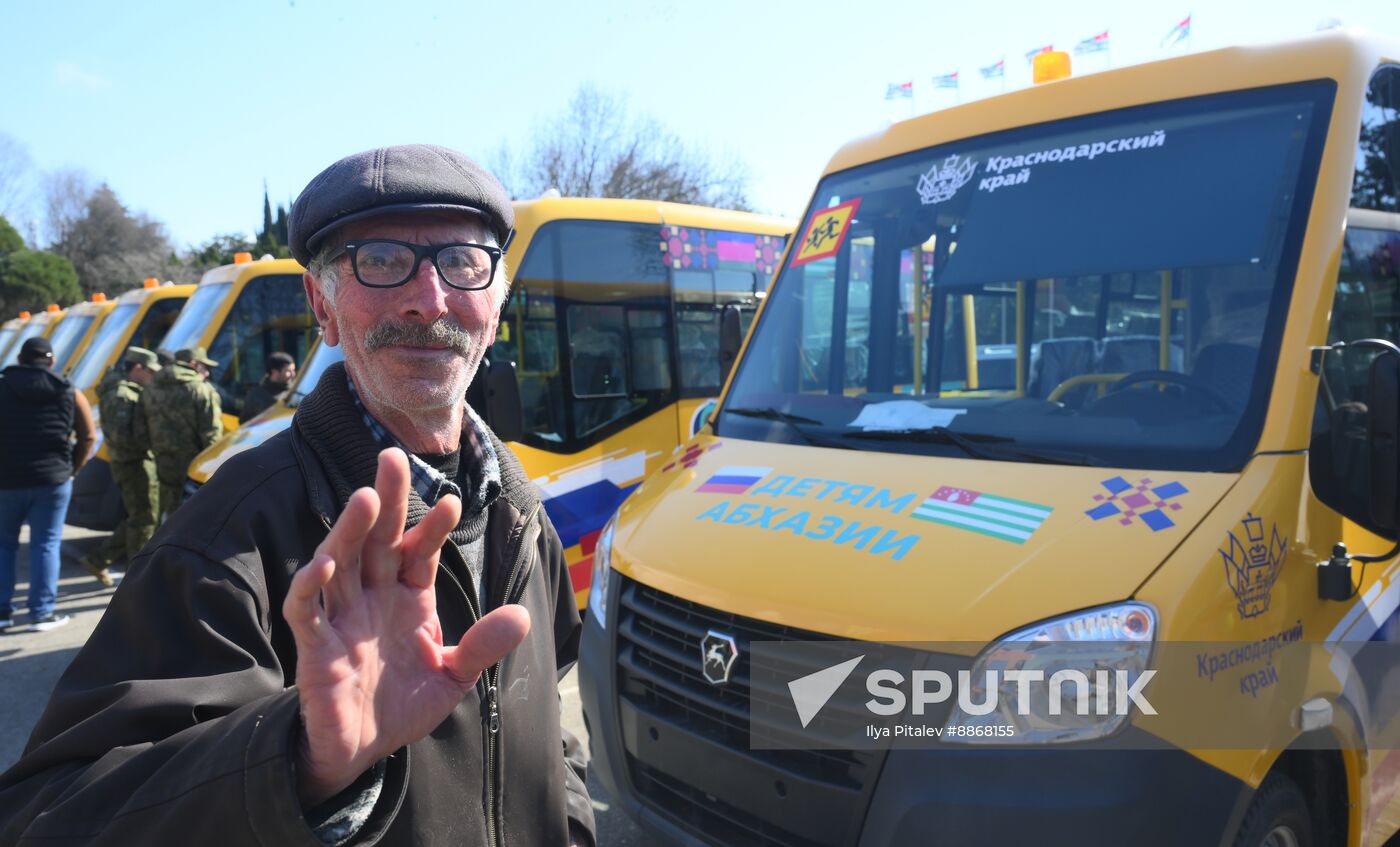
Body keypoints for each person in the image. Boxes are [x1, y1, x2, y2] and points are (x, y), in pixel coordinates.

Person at [0, 144, 595, 846]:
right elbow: (48, 814)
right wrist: (300, 767)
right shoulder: (230, 535)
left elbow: (548, 724)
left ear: (495, 300)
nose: (428, 298)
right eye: (380, 260)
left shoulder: (521, 511)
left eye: (463, 261)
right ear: (323, 305)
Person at [0, 337, 96, 632]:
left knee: (3, 546)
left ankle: (2, 612)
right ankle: (41, 613)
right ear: (51, 362)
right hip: (53, 480)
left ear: (20, 359)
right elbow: (89, 436)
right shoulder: (68, 389)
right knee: (46, 545)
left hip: (6, 482)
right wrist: (72, 470)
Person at [141, 346, 222, 519]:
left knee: (166, 509)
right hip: (194, 465)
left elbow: (142, 427)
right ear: (192, 363)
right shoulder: (201, 389)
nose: (207, 373)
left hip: (162, 460)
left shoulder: (151, 387)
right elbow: (212, 435)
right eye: (204, 367)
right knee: (192, 516)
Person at [99, 346, 162, 561]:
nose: (153, 376)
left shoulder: (125, 391)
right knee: (143, 518)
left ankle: (102, 560)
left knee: (141, 516)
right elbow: (122, 437)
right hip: (133, 463)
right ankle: (139, 569)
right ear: (137, 368)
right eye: (150, 371)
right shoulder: (122, 395)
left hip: (133, 462)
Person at [239, 350, 296, 422]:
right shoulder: (255, 396)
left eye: (293, 370)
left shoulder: (297, 391)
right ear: (274, 372)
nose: (293, 375)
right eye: (288, 371)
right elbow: (245, 424)